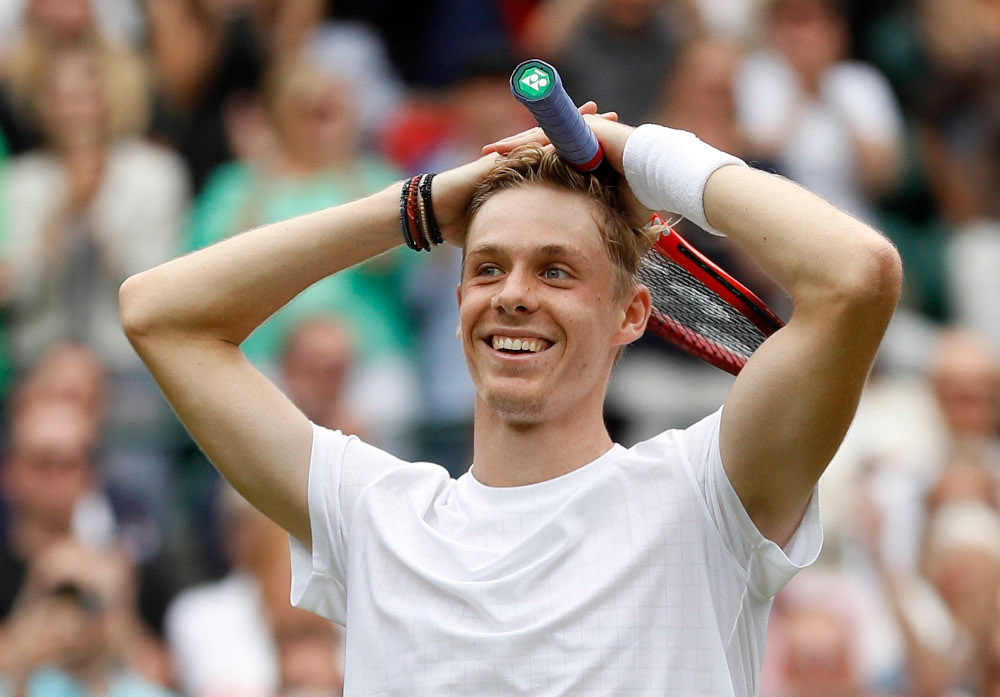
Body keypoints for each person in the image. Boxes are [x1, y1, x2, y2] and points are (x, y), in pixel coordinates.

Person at [120, 101, 902, 695]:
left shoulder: (708, 493)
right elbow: (160, 315)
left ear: (632, 312)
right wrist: (419, 206)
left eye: (556, 270)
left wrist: (647, 154)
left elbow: (857, 274)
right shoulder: (372, 514)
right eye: (488, 268)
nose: (514, 296)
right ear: (457, 298)